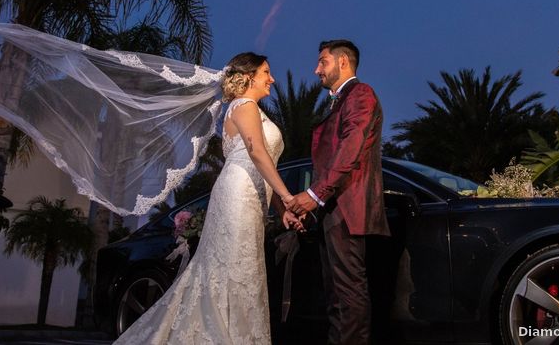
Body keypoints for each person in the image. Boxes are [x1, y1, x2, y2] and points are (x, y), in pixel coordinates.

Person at [114, 52, 302, 345]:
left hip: (252, 196)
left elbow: (266, 166)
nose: (272, 79)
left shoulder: (252, 109)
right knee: (235, 267)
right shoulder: (244, 105)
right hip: (238, 195)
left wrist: (280, 208)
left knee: (240, 268)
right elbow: (255, 150)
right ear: (249, 76)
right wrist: (288, 195)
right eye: (266, 72)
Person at [287, 39, 390, 345]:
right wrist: (315, 204)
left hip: (348, 209)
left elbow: (349, 151)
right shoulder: (339, 100)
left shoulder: (361, 94)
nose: (316, 69)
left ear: (343, 62)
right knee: (335, 294)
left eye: (323, 62)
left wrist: (315, 195)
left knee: (348, 294)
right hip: (333, 209)